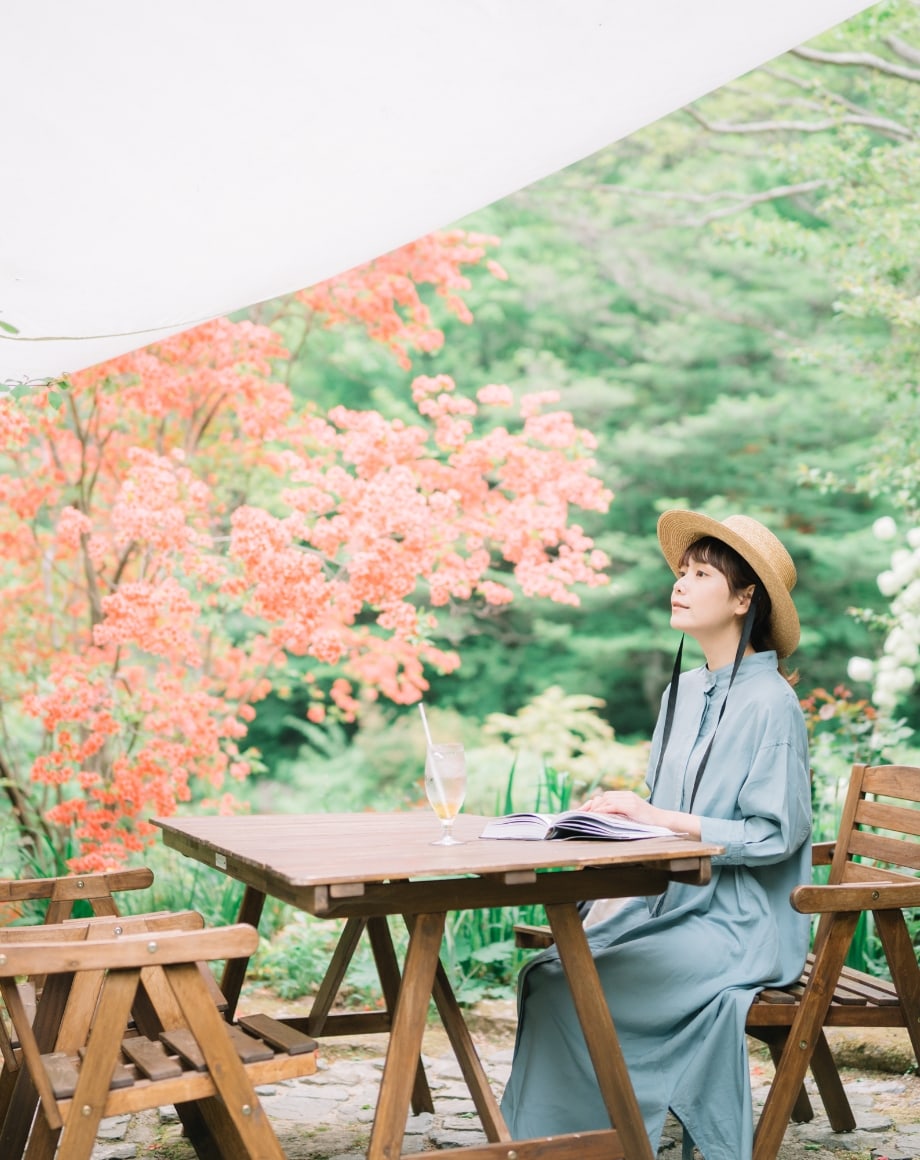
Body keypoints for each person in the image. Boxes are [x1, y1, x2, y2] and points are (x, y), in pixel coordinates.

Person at [500, 511, 812, 1160]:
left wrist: (659, 820)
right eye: (680, 572)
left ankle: (583, 1145)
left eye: (702, 575)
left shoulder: (771, 703)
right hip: (668, 905)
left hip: (741, 927)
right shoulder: (682, 692)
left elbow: (775, 836)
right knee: (546, 972)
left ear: (744, 598)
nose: (681, 584)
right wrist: (613, 818)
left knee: (565, 985)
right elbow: (659, 807)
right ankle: (560, 1144)